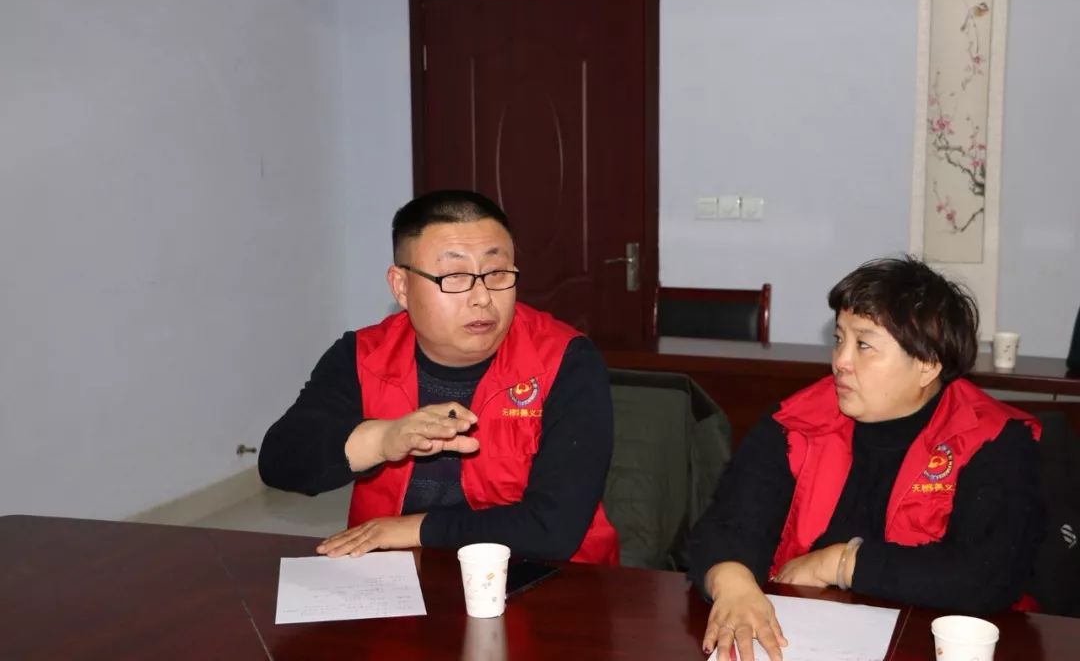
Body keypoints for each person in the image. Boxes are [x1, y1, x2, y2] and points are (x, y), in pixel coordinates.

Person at [688, 257, 1044, 661]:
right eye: (839, 339)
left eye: (863, 345)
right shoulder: (796, 422)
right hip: (806, 639)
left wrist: (840, 563)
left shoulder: (994, 440)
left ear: (927, 363)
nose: (840, 361)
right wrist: (732, 582)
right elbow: (727, 524)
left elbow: (983, 575)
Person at [259, 190, 619, 564]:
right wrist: (384, 438)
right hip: (394, 574)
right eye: (454, 276)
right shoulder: (364, 355)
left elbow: (553, 529)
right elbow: (280, 462)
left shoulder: (566, 360)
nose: (482, 297)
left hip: (548, 575)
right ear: (401, 286)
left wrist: (413, 529)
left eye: (497, 274)